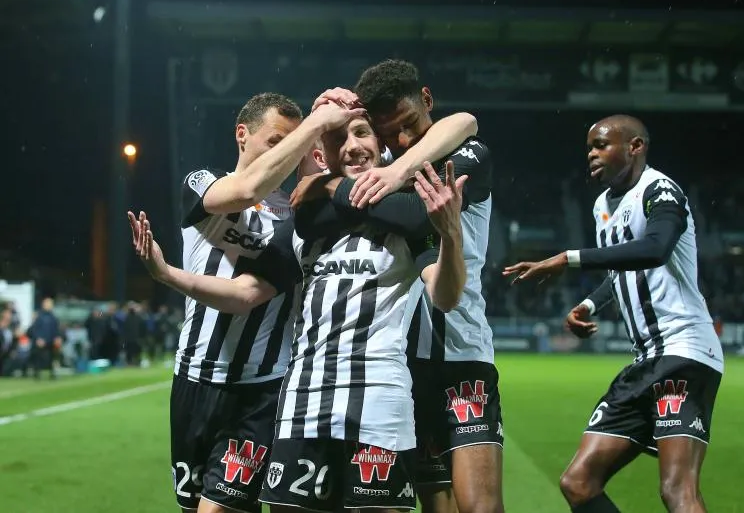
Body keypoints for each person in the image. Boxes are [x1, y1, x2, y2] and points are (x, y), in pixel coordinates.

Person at [131, 110, 468, 513]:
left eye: (362, 134)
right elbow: (244, 293)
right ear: (323, 153)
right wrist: (167, 273)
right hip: (302, 403)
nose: (353, 146)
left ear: (380, 146)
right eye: (338, 139)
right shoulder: (301, 224)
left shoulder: (408, 217)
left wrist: (450, 236)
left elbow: (446, 296)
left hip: (378, 399)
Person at [503, 114, 724, 513]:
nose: (591, 154)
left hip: (683, 352)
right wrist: (588, 304)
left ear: (635, 146)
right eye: (589, 147)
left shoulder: (661, 190)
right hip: (645, 363)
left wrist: (567, 259)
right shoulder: (602, 206)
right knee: (579, 483)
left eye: (602, 145)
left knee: (677, 491)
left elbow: (654, 248)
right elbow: (621, 270)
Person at [310, 59, 502, 513]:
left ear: (428, 100)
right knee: (435, 503)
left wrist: (352, 185)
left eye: (410, 123)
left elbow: (464, 124)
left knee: (480, 508)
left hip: (461, 352)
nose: (401, 140)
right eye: (388, 132)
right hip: (399, 364)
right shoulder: (383, 161)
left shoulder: (466, 154)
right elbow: (310, 201)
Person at [158, 91, 362, 513]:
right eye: (275, 141)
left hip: (260, 390)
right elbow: (248, 187)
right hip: (192, 379)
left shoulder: (297, 220)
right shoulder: (202, 183)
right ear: (241, 136)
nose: (286, 151)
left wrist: (321, 125)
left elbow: (250, 294)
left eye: (295, 144)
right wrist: (313, 125)